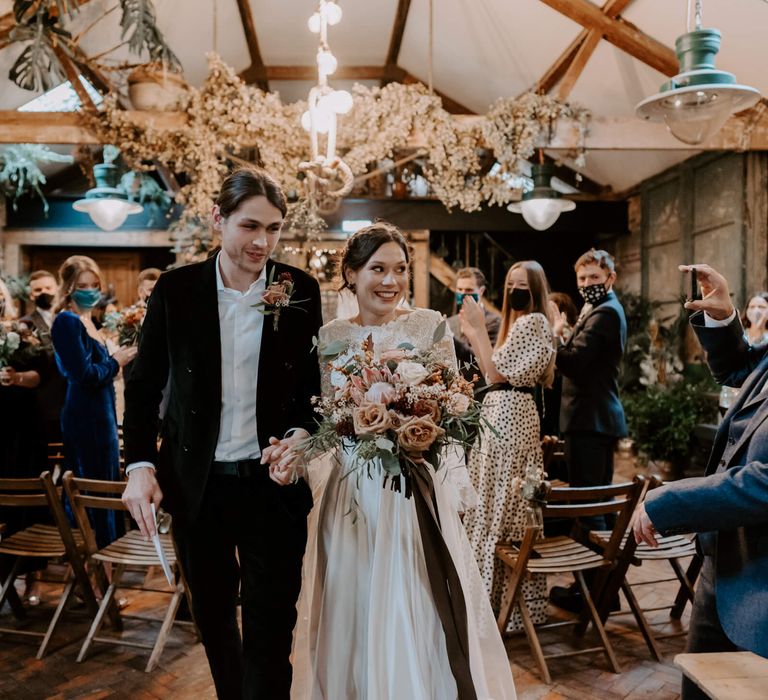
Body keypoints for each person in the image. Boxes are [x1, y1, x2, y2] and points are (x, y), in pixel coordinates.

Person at [268, 223, 515, 700]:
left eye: (400, 269)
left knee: (413, 600)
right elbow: (326, 420)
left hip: (411, 492)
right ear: (351, 274)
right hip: (352, 494)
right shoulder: (330, 334)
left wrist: (420, 421)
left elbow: (453, 407)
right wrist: (296, 455)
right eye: (378, 269)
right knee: (354, 602)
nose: (391, 281)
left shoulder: (428, 326)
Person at [121, 167, 323, 700]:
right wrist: (139, 466)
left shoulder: (298, 290)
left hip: (271, 486)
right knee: (212, 621)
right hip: (196, 487)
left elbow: (311, 389)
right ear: (218, 219)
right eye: (249, 226)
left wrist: (302, 434)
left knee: (271, 626)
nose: (262, 241)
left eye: (274, 229)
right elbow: (142, 387)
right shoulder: (176, 289)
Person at [634, 263, 768, 699]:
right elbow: (741, 371)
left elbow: (762, 483)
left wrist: (666, 501)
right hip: (723, 564)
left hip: (759, 584)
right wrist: (724, 316)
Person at [459, 260, 555, 631]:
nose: (516, 290)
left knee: (501, 505)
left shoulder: (533, 322)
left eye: (523, 285)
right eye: (511, 283)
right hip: (502, 411)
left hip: (511, 415)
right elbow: (489, 372)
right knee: (493, 503)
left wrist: (478, 329)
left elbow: (496, 374)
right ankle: (498, 603)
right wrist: (475, 333)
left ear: (536, 290)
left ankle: (500, 606)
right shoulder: (519, 324)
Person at [51, 256, 136, 548]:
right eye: (81, 285)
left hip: (104, 414)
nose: (89, 290)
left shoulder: (89, 321)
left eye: (94, 284)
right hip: (85, 415)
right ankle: (94, 570)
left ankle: (105, 567)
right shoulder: (66, 321)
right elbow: (83, 374)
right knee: (93, 490)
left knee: (107, 487)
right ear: (68, 288)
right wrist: (116, 362)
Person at [21, 270, 67, 447]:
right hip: (46, 399)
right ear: (31, 295)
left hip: (73, 395)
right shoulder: (26, 324)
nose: (44, 293)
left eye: (48, 288)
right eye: (38, 290)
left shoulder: (70, 317)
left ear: (56, 289)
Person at [447, 266, 501, 389]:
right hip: (454, 392)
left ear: (481, 291)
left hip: (480, 390)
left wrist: (451, 338)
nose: (462, 294)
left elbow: (484, 361)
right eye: (459, 289)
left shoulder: (493, 322)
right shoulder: (451, 322)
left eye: (469, 290)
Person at [719, 292, 768, 414]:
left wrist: (760, 327)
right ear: (746, 310)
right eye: (752, 307)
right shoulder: (739, 334)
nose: (756, 310)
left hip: (757, 401)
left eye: (761, 307)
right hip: (730, 397)